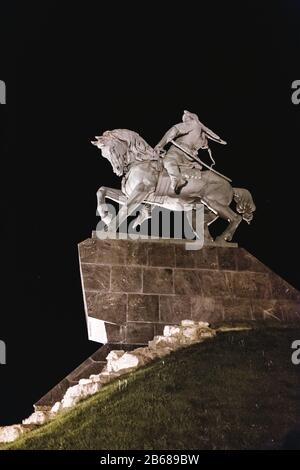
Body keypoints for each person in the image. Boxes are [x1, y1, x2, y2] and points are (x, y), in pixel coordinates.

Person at [155, 110, 227, 193]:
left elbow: (174, 130)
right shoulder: (202, 133)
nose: (184, 122)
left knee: (168, 160)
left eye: (185, 119)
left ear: (191, 118)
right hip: (190, 157)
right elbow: (204, 145)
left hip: (179, 152)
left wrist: (160, 145)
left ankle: (177, 179)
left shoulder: (193, 124)